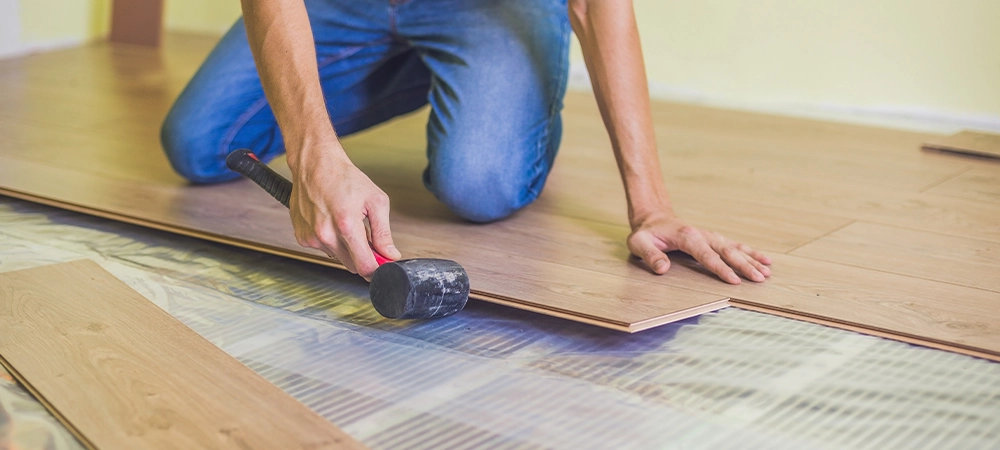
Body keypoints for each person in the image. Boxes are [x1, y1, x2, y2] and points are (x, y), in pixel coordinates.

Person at [161, 0, 772, 284]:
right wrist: (312, 152)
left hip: (491, 7)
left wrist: (651, 206)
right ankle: (440, 69)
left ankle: (487, 76)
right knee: (201, 144)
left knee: (479, 183)